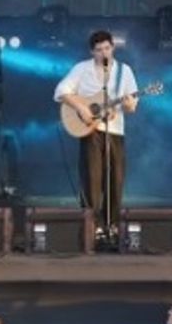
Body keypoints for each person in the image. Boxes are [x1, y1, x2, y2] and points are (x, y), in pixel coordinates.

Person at [54, 30, 139, 233]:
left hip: (115, 131)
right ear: (92, 51)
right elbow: (60, 91)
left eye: (107, 48)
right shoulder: (82, 69)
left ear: (113, 48)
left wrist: (129, 103)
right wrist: (82, 108)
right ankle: (92, 225)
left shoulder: (124, 71)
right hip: (90, 131)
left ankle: (112, 225)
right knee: (91, 178)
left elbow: (132, 107)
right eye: (99, 50)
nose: (104, 53)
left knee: (116, 178)